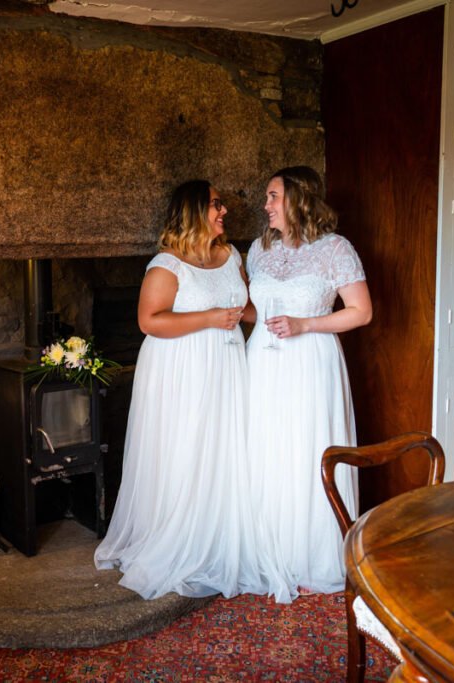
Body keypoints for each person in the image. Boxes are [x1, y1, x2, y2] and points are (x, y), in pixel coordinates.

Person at [94, 180, 264, 600]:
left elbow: (246, 310)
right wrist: (209, 317)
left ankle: (215, 534)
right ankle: (176, 536)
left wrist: (279, 313)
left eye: (221, 204)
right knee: (185, 446)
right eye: (215, 204)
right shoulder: (166, 265)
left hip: (225, 363)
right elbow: (150, 321)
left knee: (221, 446)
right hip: (180, 367)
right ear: (192, 211)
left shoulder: (231, 256)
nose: (223, 211)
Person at [242, 165, 372, 604]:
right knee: (265, 449)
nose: (266, 205)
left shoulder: (335, 249)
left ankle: (310, 557)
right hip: (260, 362)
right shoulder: (259, 250)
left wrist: (306, 323)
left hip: (310, 362)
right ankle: (265, 549)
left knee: (305, 448)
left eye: (273, 196)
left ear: (298, 199)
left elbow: (360, 311)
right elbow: (254, 310)